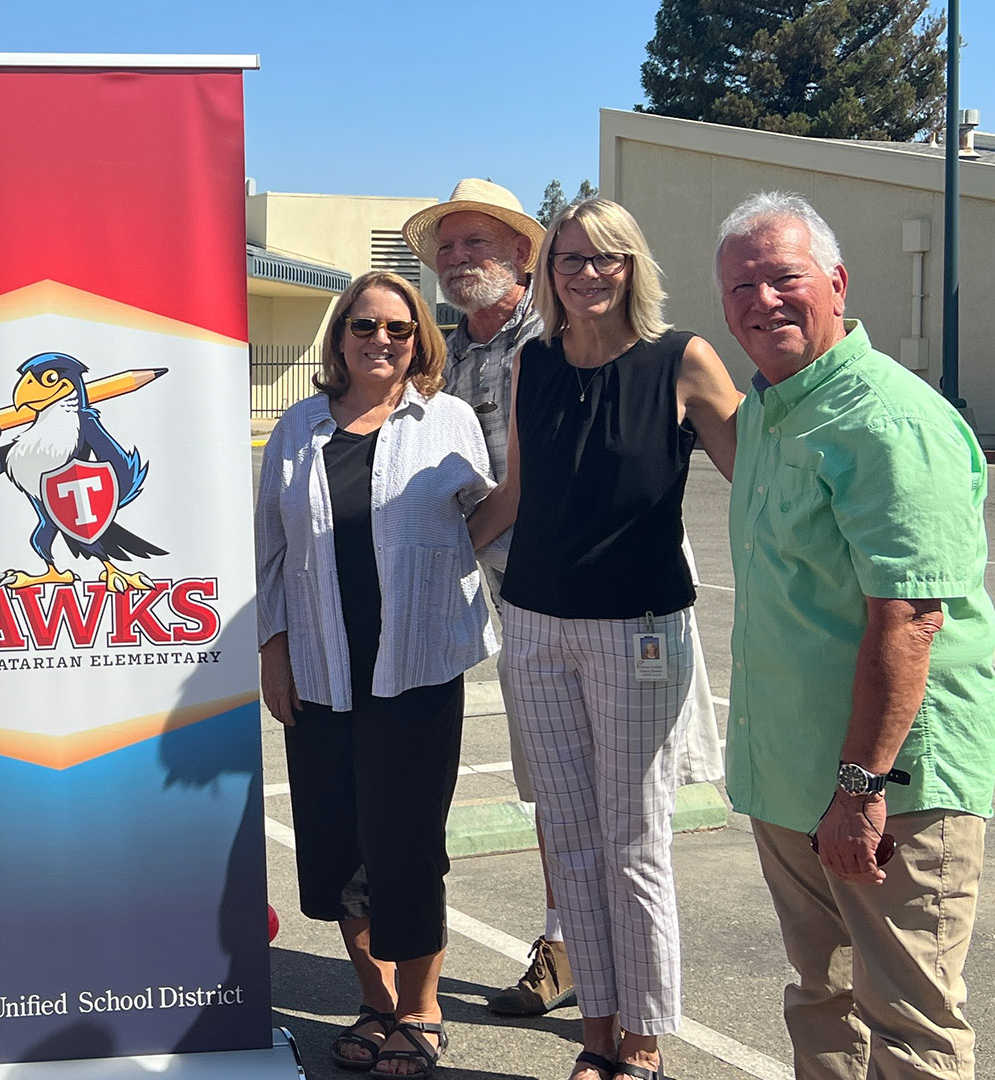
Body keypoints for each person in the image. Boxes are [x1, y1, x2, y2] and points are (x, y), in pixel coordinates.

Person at [716, 192, 995, 1080]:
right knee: (821, 996)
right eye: (741, 286)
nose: (762, 301)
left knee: (911, 1023)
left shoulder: (888, 419)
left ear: (836, 284)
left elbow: (908, 620)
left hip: (888, 793)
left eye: (784, 278)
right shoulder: (769, 410)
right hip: (793, 781)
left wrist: (857, 789)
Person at [466, 198, 740, 1080]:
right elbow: (512, 496)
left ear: (633, 266)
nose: (586, 273)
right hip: (537, 626)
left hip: (641, 632)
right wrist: (417, 559)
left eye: (605, 258)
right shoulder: (533, 362)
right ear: (549, 273)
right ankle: (597, 1034)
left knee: (635, 841)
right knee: (571, 838)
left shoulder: (681, 360)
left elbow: (761, 475)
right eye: (570, 259)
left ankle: (645, 1042)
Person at [256, 271, 496, 1077]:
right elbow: (270, 552)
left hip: (417, 672)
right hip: (322, 671)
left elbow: (488, 520)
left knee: (406, 846)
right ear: (340, 335)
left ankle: (421, 1009)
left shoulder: (448, 420)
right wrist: (273, 650)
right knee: (335, 847)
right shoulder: (297, 429)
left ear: (420, 337)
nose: (380, 341)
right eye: (364, 326)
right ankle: (377, 999)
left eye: (398, 328)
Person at [403, 179, 574, 1017]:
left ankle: (595, 954)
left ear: (520, 254)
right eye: (447, 246)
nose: (457, 259)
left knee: (599, 779)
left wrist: (440, 557)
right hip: (494, 586)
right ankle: (569, 936)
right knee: (547, 771)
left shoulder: (559, 339)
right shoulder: (441, 352)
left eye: (477, 243)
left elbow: (522, 488)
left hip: (573, 587)